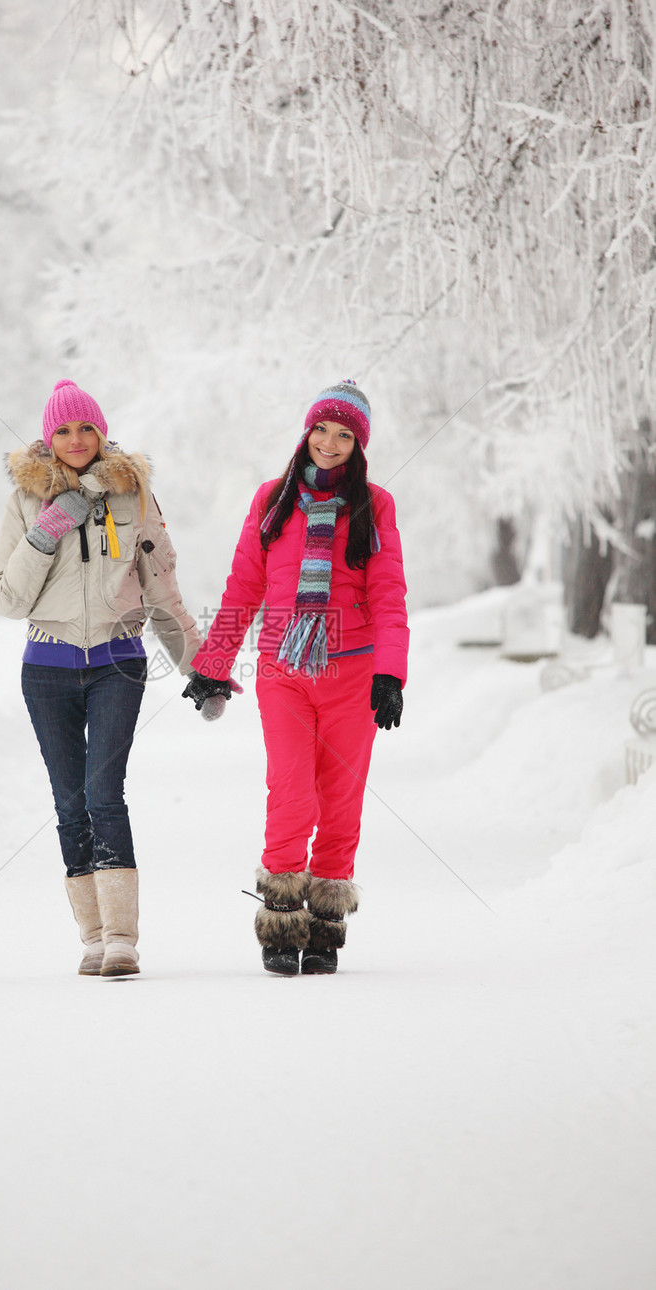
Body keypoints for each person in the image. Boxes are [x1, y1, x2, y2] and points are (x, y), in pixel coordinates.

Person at [0, 379, 219, 978]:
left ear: (102, 431)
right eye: (62, 430)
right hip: (47, 670)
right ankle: (91, 937)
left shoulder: (133, 495)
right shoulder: (25, 501)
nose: (75, 440)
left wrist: (203, 666)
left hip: (118, 664)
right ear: (46, 437)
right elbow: (6, 599)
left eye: (85, 427)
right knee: (69, 804)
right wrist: (47, 532)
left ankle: (121, 938)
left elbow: (162, 589)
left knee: (102, 794)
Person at [184, 380, 409, 976]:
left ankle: (326, 927)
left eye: (344, 435)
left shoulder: (375, 505)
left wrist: (389, 673)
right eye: (321, 430)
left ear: (358, 444)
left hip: (353, 674)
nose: (329, 443)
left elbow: (388, 596)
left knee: (339, 797)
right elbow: (244, 590)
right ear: (306, 432)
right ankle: (281, 919)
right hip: (283, 671)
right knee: (291, 790)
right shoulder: (270, 500)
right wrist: (212, 665)